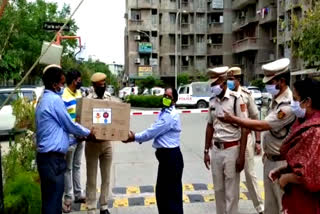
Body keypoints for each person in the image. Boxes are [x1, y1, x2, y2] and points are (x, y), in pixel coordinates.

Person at [219, 58, 296, 214]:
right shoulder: (276, 100)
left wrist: (233, 120)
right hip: (270, 159)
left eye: (270, 81)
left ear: (281, 81)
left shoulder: (287, 105)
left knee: (283, 205)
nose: (267, 86)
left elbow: (261, 123)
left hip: (281, 163)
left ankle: (257, 206)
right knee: (271, 207)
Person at [35, 65, 95, 214]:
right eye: (62, 83)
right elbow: (69, 124)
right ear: (55, 84)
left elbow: (56, 135)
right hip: (52, 160)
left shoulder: (44, 99)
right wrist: (88, 133)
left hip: (49, 158)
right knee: (52, 202)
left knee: (52, 200)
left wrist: (77, 140)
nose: (63, 86)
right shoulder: (54, 100)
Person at [123, 87, 184, 214]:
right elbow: (153, 128)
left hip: (171, 158)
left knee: (170, 197)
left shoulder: (170, 116)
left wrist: (135, 137)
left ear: (174, 101)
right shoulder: (164, 112)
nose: (165, 98)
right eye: (164, 96)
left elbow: (153, 131)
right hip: (166, 158)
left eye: (169, 97)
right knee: (162, 195)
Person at [269, 78, 320, 214]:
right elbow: (307, 161)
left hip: (307, 201)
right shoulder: (305, 123)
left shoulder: (315, 130)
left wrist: (287, 178)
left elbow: (313, 176)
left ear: (307, 102)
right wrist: (284, 170)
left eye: (296, 99)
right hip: (298, 198)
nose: (293, 104)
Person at [203, 66, 248, 214]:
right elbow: (210, 126)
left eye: (214, 84)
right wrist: (205, 151)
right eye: (211, 85)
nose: (213, 87)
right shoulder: (212, 101)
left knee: (231, 192)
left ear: (222, 83)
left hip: (232, 149)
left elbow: (245, 128)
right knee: (218, 190)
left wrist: (241, 156)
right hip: (216, 150)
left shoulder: (236, 99)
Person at [227, 67, 264, 214]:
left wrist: (258, 142)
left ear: (238, 79)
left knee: (249, 173)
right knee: (231, 175)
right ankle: (231, 209)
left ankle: (260, 207)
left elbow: (255, 119)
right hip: (231, 138)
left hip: (246, 137)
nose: (229, 81)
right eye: (228, 79)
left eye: (232, 79)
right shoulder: (226, 95)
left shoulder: (247, 95)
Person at [85, 72, 116, 214]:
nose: (102, 87)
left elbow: (116, 117)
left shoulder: (110, 98)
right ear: (94, 86)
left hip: (107, 144)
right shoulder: (87, 100)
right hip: (92, 144)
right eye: (99, 85)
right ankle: (91, 207)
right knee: (91, 178)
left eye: (104, 85)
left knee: (106, 177)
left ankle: (103, 206)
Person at [61, 70, 85, 213]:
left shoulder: (79, 94)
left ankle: (78, 194)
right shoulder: (63, 96)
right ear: (73, 80)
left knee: (77, 166)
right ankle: (68, 198)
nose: (80, 83)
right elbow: (64, 120)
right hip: (70, 139)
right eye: (79, 80)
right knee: (67, 169)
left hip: (80, 137)